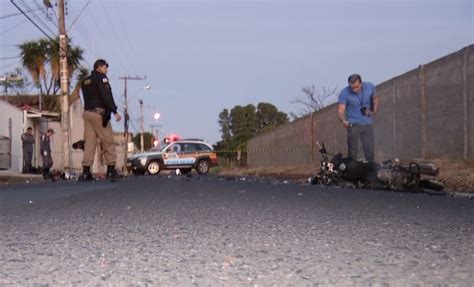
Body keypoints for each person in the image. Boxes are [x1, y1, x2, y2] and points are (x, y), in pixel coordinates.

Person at [80, 59, 122, 181]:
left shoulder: (85, 81)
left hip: (87, 114)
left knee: (90, 143)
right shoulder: (101, 78)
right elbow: (106, 95)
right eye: (105, 67)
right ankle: (111, 170)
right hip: (99, 114)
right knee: (108, 140)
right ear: (99, 67)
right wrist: (114, 111)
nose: (106, 70)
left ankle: (86, 172)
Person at [337, 74, 379, 162]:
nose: (354, 90)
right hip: (353, 124)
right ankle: (351, 171)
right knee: (352, 152)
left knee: (369, 151)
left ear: (361, 83)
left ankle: (370, 171)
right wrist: (343, 120)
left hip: (367, 123)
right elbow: (340, 112)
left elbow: (375, 98)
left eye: (356, 87)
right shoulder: (344, 93)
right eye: (351, 88)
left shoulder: (370, 87)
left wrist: (373, 110)